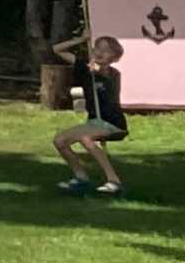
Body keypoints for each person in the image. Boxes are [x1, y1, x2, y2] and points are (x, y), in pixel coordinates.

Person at [49, 31, 130, 197]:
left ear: (114, 57)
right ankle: (81, 178)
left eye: (106, 51)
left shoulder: (113, 74)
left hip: (112, 122)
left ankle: (114, 181)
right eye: (97, 48)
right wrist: (80, 40)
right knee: (59, 141)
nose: (100, 52)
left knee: (86, 138)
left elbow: (104, 76)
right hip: (94, 122)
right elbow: (57, 49)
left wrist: (97, 69)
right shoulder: (86, 68)